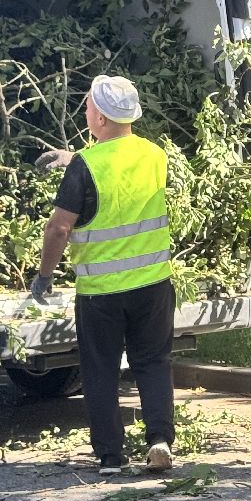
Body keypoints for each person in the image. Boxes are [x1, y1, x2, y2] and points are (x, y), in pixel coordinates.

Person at [31, 76, 176, 476]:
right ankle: (159, 440)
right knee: (153, 362)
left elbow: (58, 228)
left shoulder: (85, 167)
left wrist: (44, 276)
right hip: (153, 284)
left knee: (100, 369)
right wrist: (71, 157)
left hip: (101, 292)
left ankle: (111, 456)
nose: (85, 112)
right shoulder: (155, 154)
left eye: (89, 106)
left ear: (100, 117)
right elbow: (120, 171)